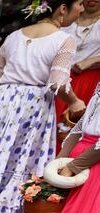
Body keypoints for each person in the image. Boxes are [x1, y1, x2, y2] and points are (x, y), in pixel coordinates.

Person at [0, 0, 86, 213]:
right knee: (21, 159)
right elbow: (57, 83)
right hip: (34, 105)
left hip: (2, 102)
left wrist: (9, 96)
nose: (81, 9)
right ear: (62, 8)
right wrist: (75, 101)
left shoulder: (14, 36)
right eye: (78, 3)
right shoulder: (64, 40)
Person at [15, 83, 100, 213]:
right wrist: (59, 162)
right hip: (78, 156)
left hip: (93, 165)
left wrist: (74, 166)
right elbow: (80, 127)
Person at [55, 0, 100, 151]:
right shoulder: (67, 19)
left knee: (76, 125)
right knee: (55, 122)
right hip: (60, 78)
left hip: (90, 80)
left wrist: (92, 60)